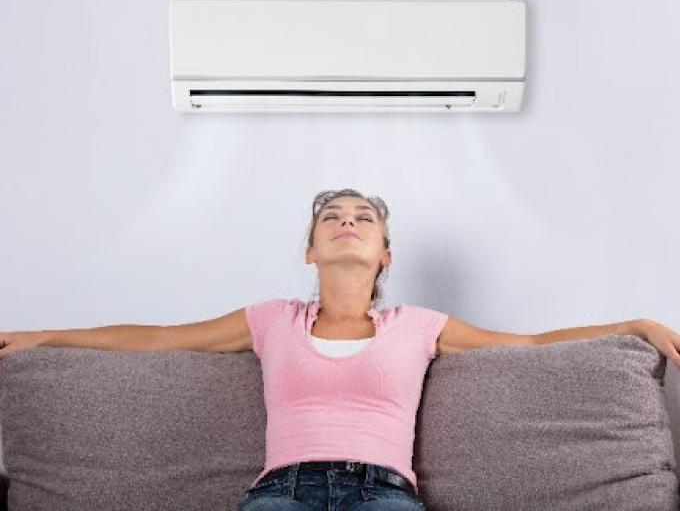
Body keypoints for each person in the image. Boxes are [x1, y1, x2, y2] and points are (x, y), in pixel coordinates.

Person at [1, 188, 678, 511]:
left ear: (384, 253)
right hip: (282, 494)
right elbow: (157, 339)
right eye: (332, 218)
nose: (346, 223)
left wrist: (634, 323)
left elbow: (527, 344)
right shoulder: (272, 320)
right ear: (310, 249)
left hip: (384, 494)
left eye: (363, 219)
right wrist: (43, 336)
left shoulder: (419, 324)